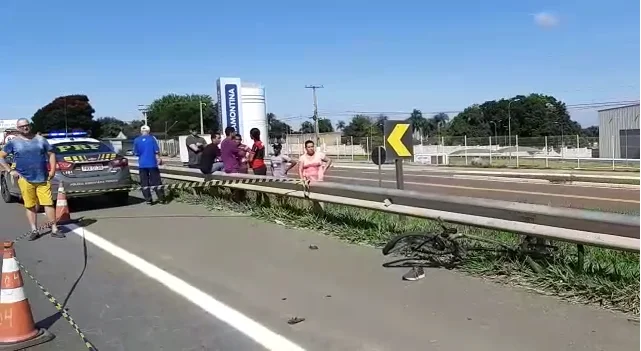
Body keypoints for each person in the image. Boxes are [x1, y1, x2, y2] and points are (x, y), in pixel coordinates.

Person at [0, 119, 62, 240]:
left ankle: (54, 229)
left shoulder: (40, 139)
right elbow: (1, 156)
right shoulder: (14, 142)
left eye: (27, 125)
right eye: (22, 126)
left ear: (30, 126)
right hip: (25, 179)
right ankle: (34, 230)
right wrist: (10, 170)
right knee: (30, 205)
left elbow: (51, 154)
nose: (25, 128)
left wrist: (53, 170)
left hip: (43, 178)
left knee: (48, 203)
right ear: (18, 128)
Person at [133, 125, 165, 205]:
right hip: (152, 164)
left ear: (141, 131)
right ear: (149, 131)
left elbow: (136, 153)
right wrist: (158, 159)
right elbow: (156, 151)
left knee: (144, 182)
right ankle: (161, 198)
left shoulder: (136, 140)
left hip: (142, 164)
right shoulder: (152, 139)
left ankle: (148, 200)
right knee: (156, 181)